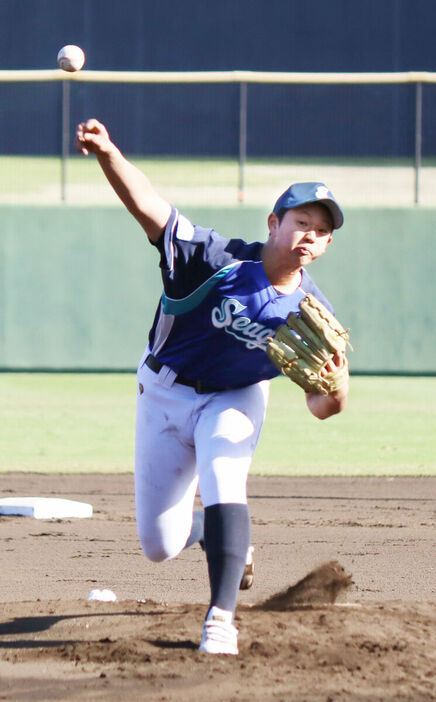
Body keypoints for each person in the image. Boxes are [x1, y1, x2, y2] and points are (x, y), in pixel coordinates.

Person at [75, 119, 349, 655]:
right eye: (301, 221)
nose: (309, 234)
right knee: (159, 545)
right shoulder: (213, 260)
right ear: (274, 223)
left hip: (235, 398)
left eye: (321, 230)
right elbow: (149, 206)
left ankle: (220, 618)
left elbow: (321, 407)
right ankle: (213, 535)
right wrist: (108, 152)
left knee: (226, 476)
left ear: (326, 244)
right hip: (164, 391)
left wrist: (338, 388)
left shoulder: (310, 314)